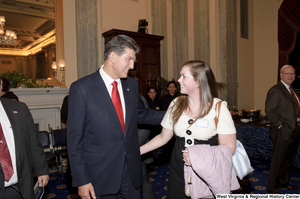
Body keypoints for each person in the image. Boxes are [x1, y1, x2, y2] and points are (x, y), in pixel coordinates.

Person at [67, 34, 165, 199]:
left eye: (133, 61)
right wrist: (81, 180)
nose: (132, 66)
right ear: (112, 56)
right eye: (129, 59)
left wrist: (178, 115)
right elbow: (74, 140)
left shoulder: (131, 85)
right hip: (99, 176)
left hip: (131, 174)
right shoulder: (82, 89)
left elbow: (143, 115)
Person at [140, 60, 236, 199]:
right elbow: (163, 137)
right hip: (178, 168)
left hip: (206, 172)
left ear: (198, 82)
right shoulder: (176, 104)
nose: (179, 80)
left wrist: (199, 158)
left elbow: (229, 148)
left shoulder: (218, 107)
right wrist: (137, 151)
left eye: (184, 76)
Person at [0, 76, 49, 199]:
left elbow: (33, 142)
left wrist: (41, 170)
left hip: (21, 188)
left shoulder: (20, 108)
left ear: (0, 85)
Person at [265, 64, 300, 194]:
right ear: (281, 75)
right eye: (288, 74)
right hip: (282, 131)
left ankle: (284, 182)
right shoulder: (276, 90)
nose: (291, 76)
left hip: (294, 130)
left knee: (288, 159)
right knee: (278, 160)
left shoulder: (292, 90)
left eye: (293, 74)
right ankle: (272, 187)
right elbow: (270, 111)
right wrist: (280, 126)